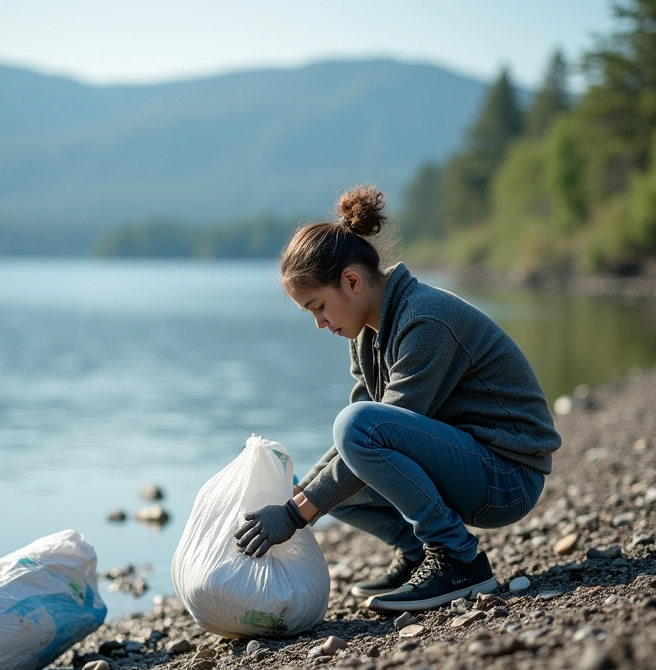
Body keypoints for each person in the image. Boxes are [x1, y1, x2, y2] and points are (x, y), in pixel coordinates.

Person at [234, 185, 562, 612]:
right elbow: (358, 446)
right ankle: (416, 552)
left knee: (353, 431)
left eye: (318, 307)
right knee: (328, 479)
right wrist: (297, 496)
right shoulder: (366, 333)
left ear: (351, 281)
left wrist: (297, 516)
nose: (319, 323)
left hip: (508, 479)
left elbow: (370, 430)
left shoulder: (425, 320)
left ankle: (458, 559)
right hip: (472, 465)